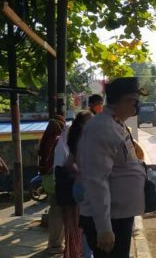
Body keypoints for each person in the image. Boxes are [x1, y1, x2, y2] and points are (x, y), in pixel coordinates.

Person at [78, 77, 147, 258]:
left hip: (119, 215)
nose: (136, 107)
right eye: (134, 102)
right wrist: (104, 229)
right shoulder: (102, 128)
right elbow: (96, 180)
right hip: (108, 220)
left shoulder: (117, 123)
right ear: (122, 100)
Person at [54, 110, 94, 258]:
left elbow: (69, 163)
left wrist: (79, 173)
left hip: (77, 188)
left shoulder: (73, 139)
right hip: (87, 188)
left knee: (83, 226)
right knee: (91, 227)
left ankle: (81, 254)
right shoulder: (89, 139)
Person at [38, 115, 66, 255]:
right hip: (54, 179)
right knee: (58, 212)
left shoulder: (45, 139)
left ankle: (54, 244)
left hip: (46, 178)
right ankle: (55, 245)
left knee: (55, 210)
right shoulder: (56, 140)